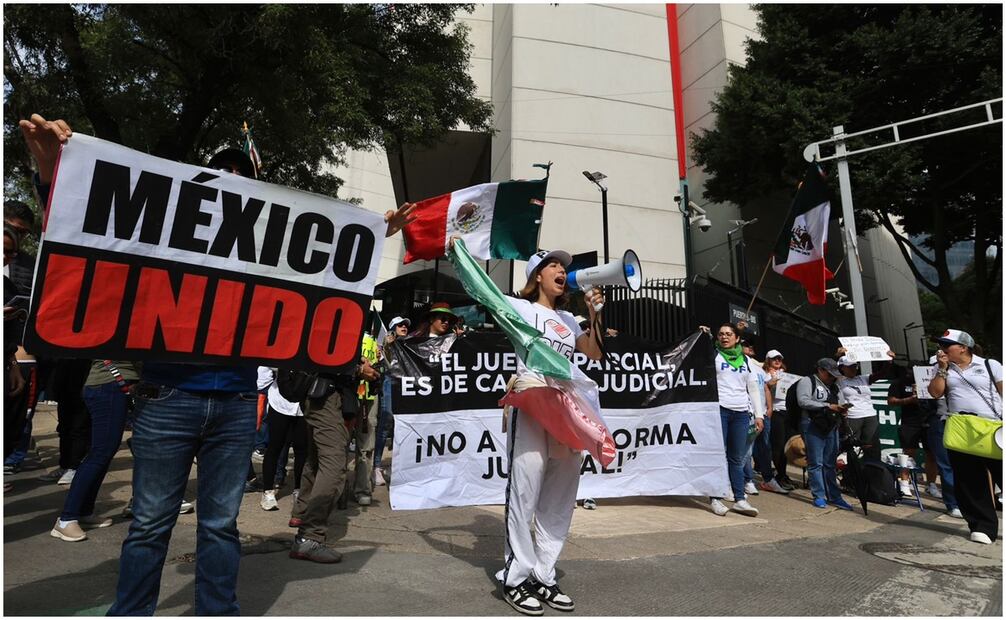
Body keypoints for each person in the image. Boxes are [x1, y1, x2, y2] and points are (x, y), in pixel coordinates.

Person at [494, 249, 604, 616]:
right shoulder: (521, 309)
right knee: (525, 489)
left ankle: (544, 573)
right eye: (553, 265)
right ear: (536, 275)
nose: (562, 270)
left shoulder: (570, 320)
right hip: (530, 402)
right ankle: (515, 577)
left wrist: (593, 316)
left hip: (565, 410)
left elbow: (593, 353)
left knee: (560, 494)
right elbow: (485, 294)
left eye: (563, 266)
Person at [289, 360, 378, 562]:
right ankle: (310, 537)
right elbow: (323, 354)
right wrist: (357, 369)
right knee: (334, 466)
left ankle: (302, 513)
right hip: (326, 394)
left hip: (321, 394)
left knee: (317, 462)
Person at [927, 329, 1002, 545]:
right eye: (941, 345)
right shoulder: (943, 367)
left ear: (963, 347)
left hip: (993, 426)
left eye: (946, 345)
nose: (942, 349)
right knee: (969, 478)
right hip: (960, 426)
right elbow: (935, 393)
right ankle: (982, 526)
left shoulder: (989, 365)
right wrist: (941, 369)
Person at [50, 361, 139, 541]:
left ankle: (83, 511)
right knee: (100, 453)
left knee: (104, 452)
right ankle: (67, 519)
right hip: (110, 384)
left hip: (114, 384)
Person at [706, 324, 763, 517]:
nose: (724, 337)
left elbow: (754, 388)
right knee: (718, 456)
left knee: (737, 458)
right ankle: (715, 498)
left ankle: (740, 499)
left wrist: (759, 414)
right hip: (719, 410)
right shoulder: (714, 355)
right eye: (721, 334)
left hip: (740, 413)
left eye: (729, 334)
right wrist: (700, 334)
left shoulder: (746, 360)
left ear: (737, 338)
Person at [795, 358, 854, 510]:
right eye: (829, 374)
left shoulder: (834, 386)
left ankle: (835, 496)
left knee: (830, 464)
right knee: (816, 463)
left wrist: (842, 409)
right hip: (813, 425)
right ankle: (819, 496)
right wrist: (827, 406)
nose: (832, 377)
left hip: (832, 426)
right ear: (820, 370)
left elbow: (840, 401)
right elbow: (803, 401)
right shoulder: (807, 381)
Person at [887, 365, 941, 499]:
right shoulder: (899, 383)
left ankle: (931, 484)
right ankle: (905, 482)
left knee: (931, 454)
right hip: (909, 422)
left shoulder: (931, 381)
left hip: (929, 419)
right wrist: (909, 400)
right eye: (910, 372)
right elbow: (891, 401)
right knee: (909, 453)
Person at [257, 367, 307, 512]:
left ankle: (299, 490)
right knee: (274, 446)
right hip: (280, 402)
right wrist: (261, 388)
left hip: (304, 403)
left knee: (302, 449)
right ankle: (268, 491)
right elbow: (266, 366)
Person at [835, 349, 895, 461]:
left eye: (854, 366)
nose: (853, 368)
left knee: (871, 445)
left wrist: (888, 362)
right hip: (853, 416)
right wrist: (838, 356)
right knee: (851, 446)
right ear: (842, 368)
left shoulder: (863, 378)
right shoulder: (839, 380)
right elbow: (832, 370)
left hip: (869, 415)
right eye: (849, 366)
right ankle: (850, 474)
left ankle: (871, 471)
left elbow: (881, 374)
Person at [373, 316, 411, 487]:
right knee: (386, 421)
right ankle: (376, 466)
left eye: (405, 325)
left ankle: (396, 466)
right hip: (390, 383)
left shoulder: (410, 344)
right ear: (392, 329)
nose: (404, 327)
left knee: (401, 425)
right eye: (400, 325)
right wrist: (387, 345)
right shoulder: (386, 345)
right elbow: (383, 361)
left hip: (405, 385)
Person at [762, 350, 795, 492]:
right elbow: (761, 390)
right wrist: (769, 384)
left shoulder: (786, 375)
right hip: (775, 411)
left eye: (779, 359)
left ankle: (783, 473)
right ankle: (779, 475)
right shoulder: (765, 375)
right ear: (767, 360)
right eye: (774, 359)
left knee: (786, 445)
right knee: (778, 445)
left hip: (787, 411)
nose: (777, 361)